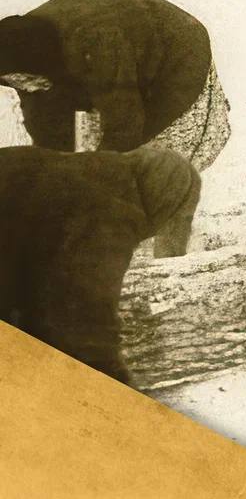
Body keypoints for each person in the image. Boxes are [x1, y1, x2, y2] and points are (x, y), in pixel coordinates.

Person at [0, 145, 201, 383]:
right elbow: (91, 323)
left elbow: (39, 291)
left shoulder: (99, 170)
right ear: (166, 202)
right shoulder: (115, 209)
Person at [0, 0, 230, 169]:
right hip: (97, 57)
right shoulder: (18, 47)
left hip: (174, 51)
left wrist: (100, 179)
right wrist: (51, 166)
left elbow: (123, 122)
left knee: (151, 156)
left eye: (22, 79)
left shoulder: (98, 43)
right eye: (13, 82)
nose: (24, 87)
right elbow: (43, 121)